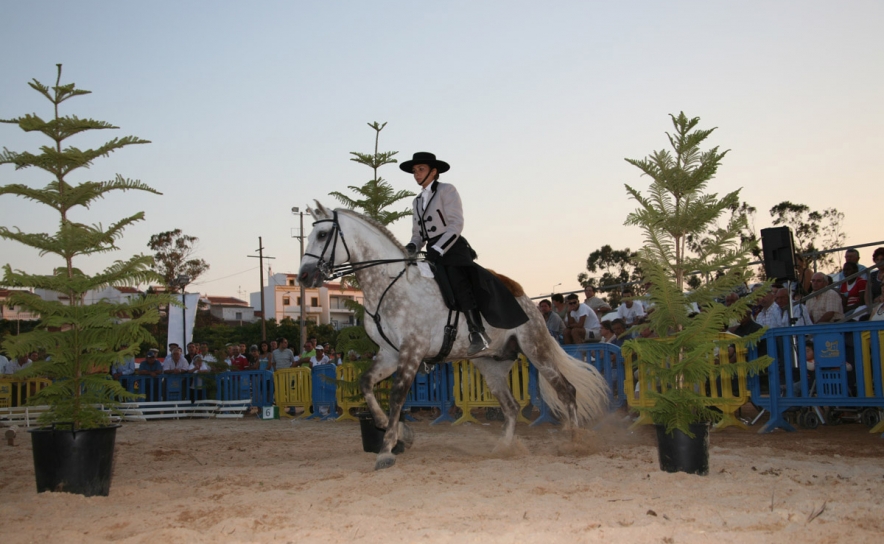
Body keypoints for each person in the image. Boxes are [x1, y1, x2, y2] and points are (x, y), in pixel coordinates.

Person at [401, 151, 531, 355]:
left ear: (433, 172)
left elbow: (456, 224)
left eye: (421, 169)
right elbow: (418, 234)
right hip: (432, 251)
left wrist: (438, 248)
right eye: (414, 171)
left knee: (456, 277)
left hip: (451, 246)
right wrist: (411, 247)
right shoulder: (416, 202)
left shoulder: (447, 190)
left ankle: (476, 331)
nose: (416, 174)